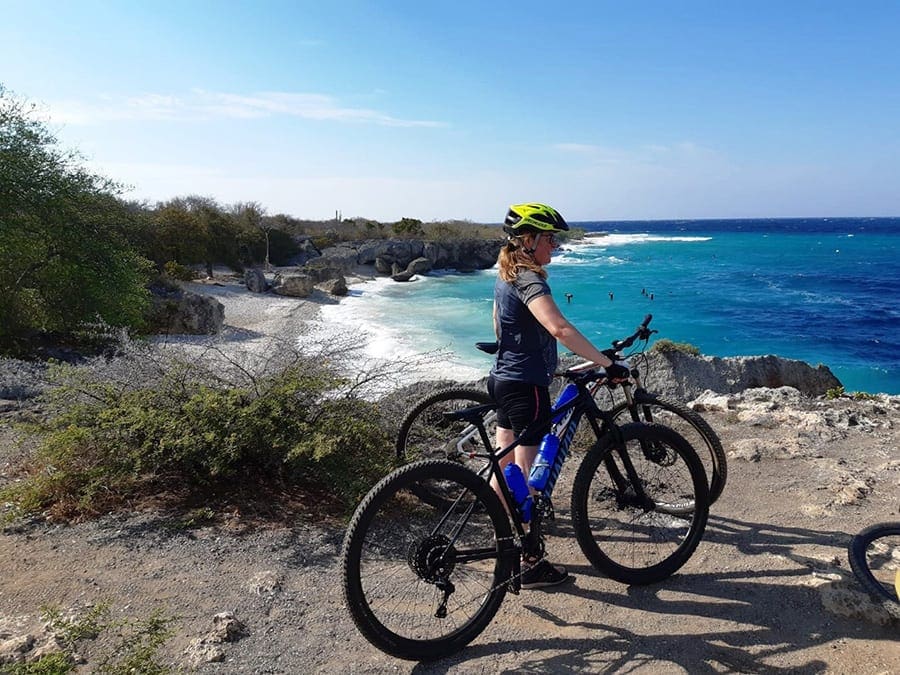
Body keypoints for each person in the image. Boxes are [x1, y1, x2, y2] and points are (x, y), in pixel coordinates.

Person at [488, 202, 629, 589]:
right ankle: (529, 562)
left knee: (506, 471)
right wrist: (605, 362)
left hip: (502, 381)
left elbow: (501, 324)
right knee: (533, 481)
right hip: (527, 388)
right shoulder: (530, 280)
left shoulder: (507, 275)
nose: (555, 245)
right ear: (529, 240)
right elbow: (559, 328)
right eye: (550, 238)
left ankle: (505, 542)